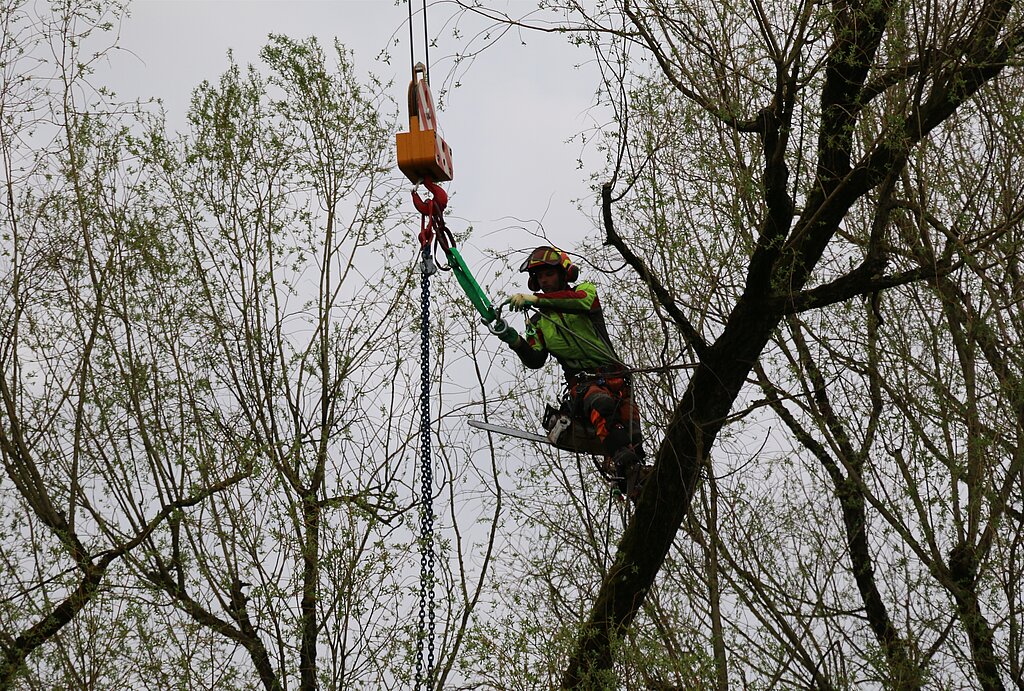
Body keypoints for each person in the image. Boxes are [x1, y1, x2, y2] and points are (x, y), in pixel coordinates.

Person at [492, 245, 647, 499]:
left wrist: (536, 300)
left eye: (549, 274)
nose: (544, 280)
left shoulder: (585, 293)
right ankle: (624, 467)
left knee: (634, 438)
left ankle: (635, 483)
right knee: (602, 405)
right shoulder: (538, 322)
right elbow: (535, 359)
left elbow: (582, 303)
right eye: (540, 277)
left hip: (615, 377)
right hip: (584, 384)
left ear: (563, 274)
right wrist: (512, 338)